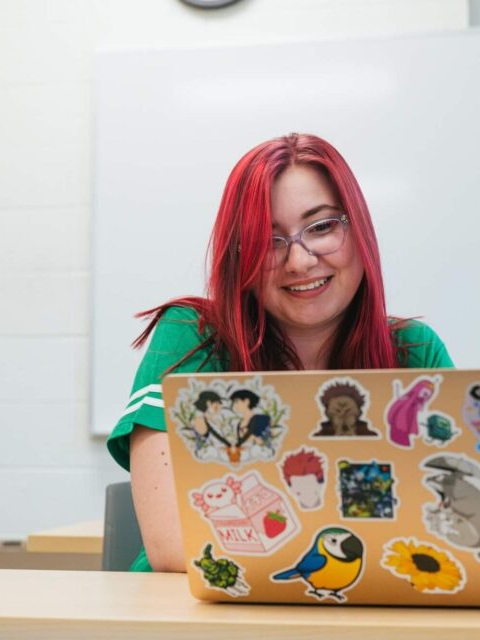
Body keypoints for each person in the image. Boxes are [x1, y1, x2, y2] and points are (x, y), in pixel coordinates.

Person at [107, 133, 452, 573]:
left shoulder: (414, 351)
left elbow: (446, 519)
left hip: (354, 610)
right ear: (239, 257)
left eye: (323, 226)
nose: (300, 262)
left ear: (359, 230)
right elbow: (173, 545)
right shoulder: (192, 336)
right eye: (269, 240)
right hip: (194, 615)